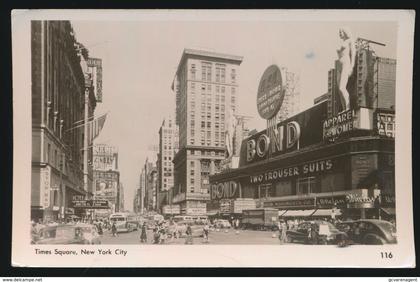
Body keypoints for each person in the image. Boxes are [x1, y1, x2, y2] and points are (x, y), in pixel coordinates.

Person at [336, 27, 356, 111]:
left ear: (345, 32)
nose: (340, 33)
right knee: (339, 90)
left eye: (341, 31)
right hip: (339, 66)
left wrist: (351, 66)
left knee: (342, 87)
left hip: (346, 63)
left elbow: (353, 53)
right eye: (339, 32)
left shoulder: (350, 41)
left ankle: (348, 107)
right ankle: (344, 109)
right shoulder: (342, 42)